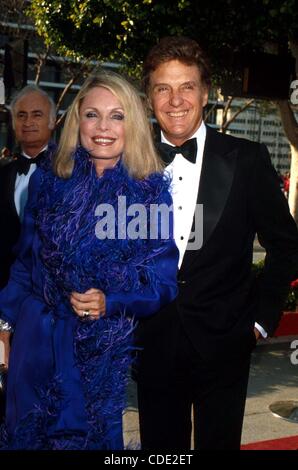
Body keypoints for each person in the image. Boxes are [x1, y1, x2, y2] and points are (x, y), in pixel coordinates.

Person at [134, 36, 298, 450]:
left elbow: (286, 244)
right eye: (163, 88)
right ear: (149, 96)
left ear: (205, 93)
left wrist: (260, 321)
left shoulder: (247, 159)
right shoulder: (131, 164)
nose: (175, 100)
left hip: (226, 345)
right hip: (153, 347)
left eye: (186, 86)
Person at [0, 71, 178, 450]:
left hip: (97, 355)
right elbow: (24, 263)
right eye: (92, 114)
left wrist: (110, 302)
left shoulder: (150, 194)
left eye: (117, 115)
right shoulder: (47, 180)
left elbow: (163, 285)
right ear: (76, 119)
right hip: (34, 342)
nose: (103, 127)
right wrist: (3, 323)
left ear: (132, 123)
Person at [0, 85, 56, 290]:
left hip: (50, 292)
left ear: (52, 121)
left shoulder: (70, 172)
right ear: (14, 123)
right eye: (21, 115)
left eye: (37, 115)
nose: (28, 122)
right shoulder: (3, 175)